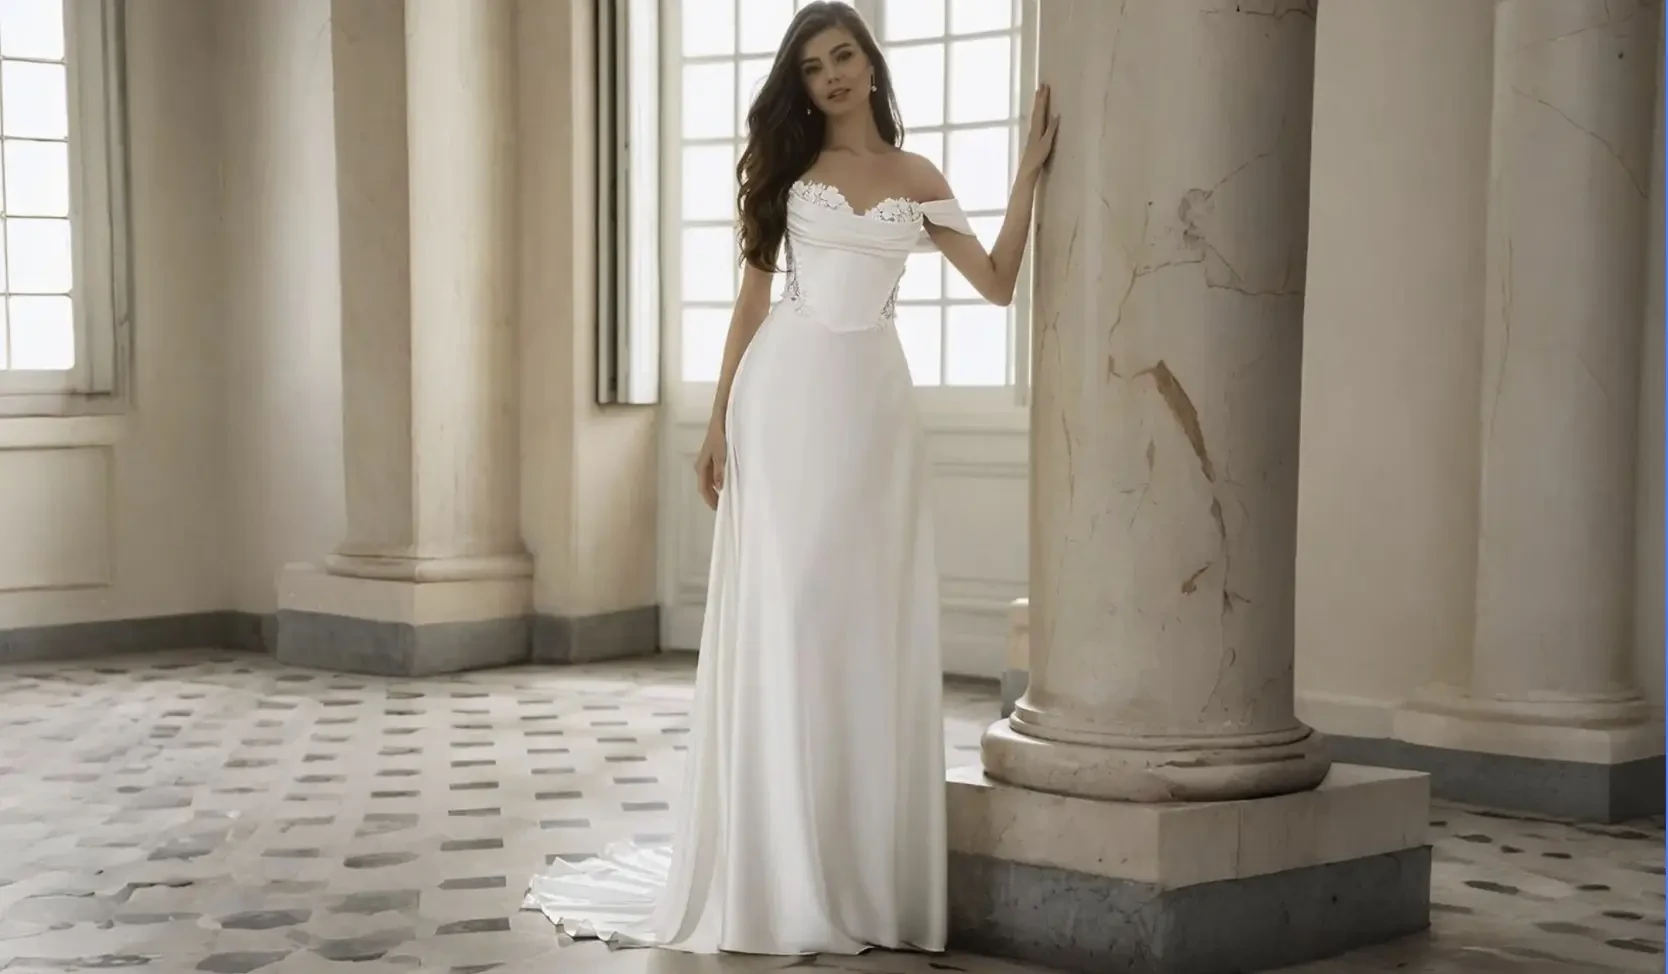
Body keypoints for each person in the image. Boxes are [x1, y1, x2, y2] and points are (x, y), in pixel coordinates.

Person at [524, 0, 1058, 955]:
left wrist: (1025, 178)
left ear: (870, 64)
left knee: (863, 616)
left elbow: (999, 282)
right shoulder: (791, 176)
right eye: (813, 67)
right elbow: (749, 307)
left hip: (874, 410)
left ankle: (856, 866)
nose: (833, 77)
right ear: (800, 85)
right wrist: (719, 424)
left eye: (844, 56)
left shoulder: (918, 177)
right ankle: (777, 862)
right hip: (787, 396)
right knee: (794, 608)